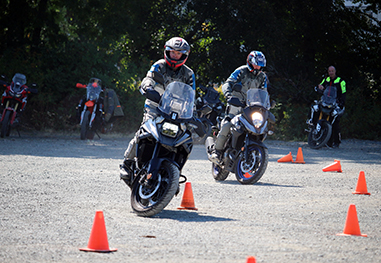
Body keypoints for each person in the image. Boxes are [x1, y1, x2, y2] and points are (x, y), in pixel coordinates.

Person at [120, 37, 195, 183]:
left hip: (177, 111)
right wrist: (147, 87)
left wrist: (196, 114)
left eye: (178, 54)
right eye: (172, 52)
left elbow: (191, 93)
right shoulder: (159, 65)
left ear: (184, 56)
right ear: (167, 51)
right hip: (155, 106)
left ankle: (174, 174)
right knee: (143, 131)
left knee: (184, 139)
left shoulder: (188, 73)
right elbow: (149, 78)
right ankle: (127, 163)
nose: (175, 56)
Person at [209, 50, 272, 163]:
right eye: (256, 64)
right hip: (236, 104)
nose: (258, 67)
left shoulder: (262, 77)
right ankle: (216, 151)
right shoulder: (241, 71)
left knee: (259, 126)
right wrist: (228, 95)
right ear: (250, 62)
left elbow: (264, 92)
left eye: (260, 65)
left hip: (252, 106)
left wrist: (267, 104)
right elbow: (228, 83)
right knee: (228, 124)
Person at [311, 65, 346, 148]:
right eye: (329, 71)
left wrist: (341, 103)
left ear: (335, 71)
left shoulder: (341, 81)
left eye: (332, 71)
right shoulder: (326, 79)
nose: (331, 73)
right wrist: (319, 87)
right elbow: (320, 87)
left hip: (335, 103)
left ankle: (336, 142)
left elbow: (344, 93)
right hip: (325, 101)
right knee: (315, 112)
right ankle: (313, 132)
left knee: (335, 122)